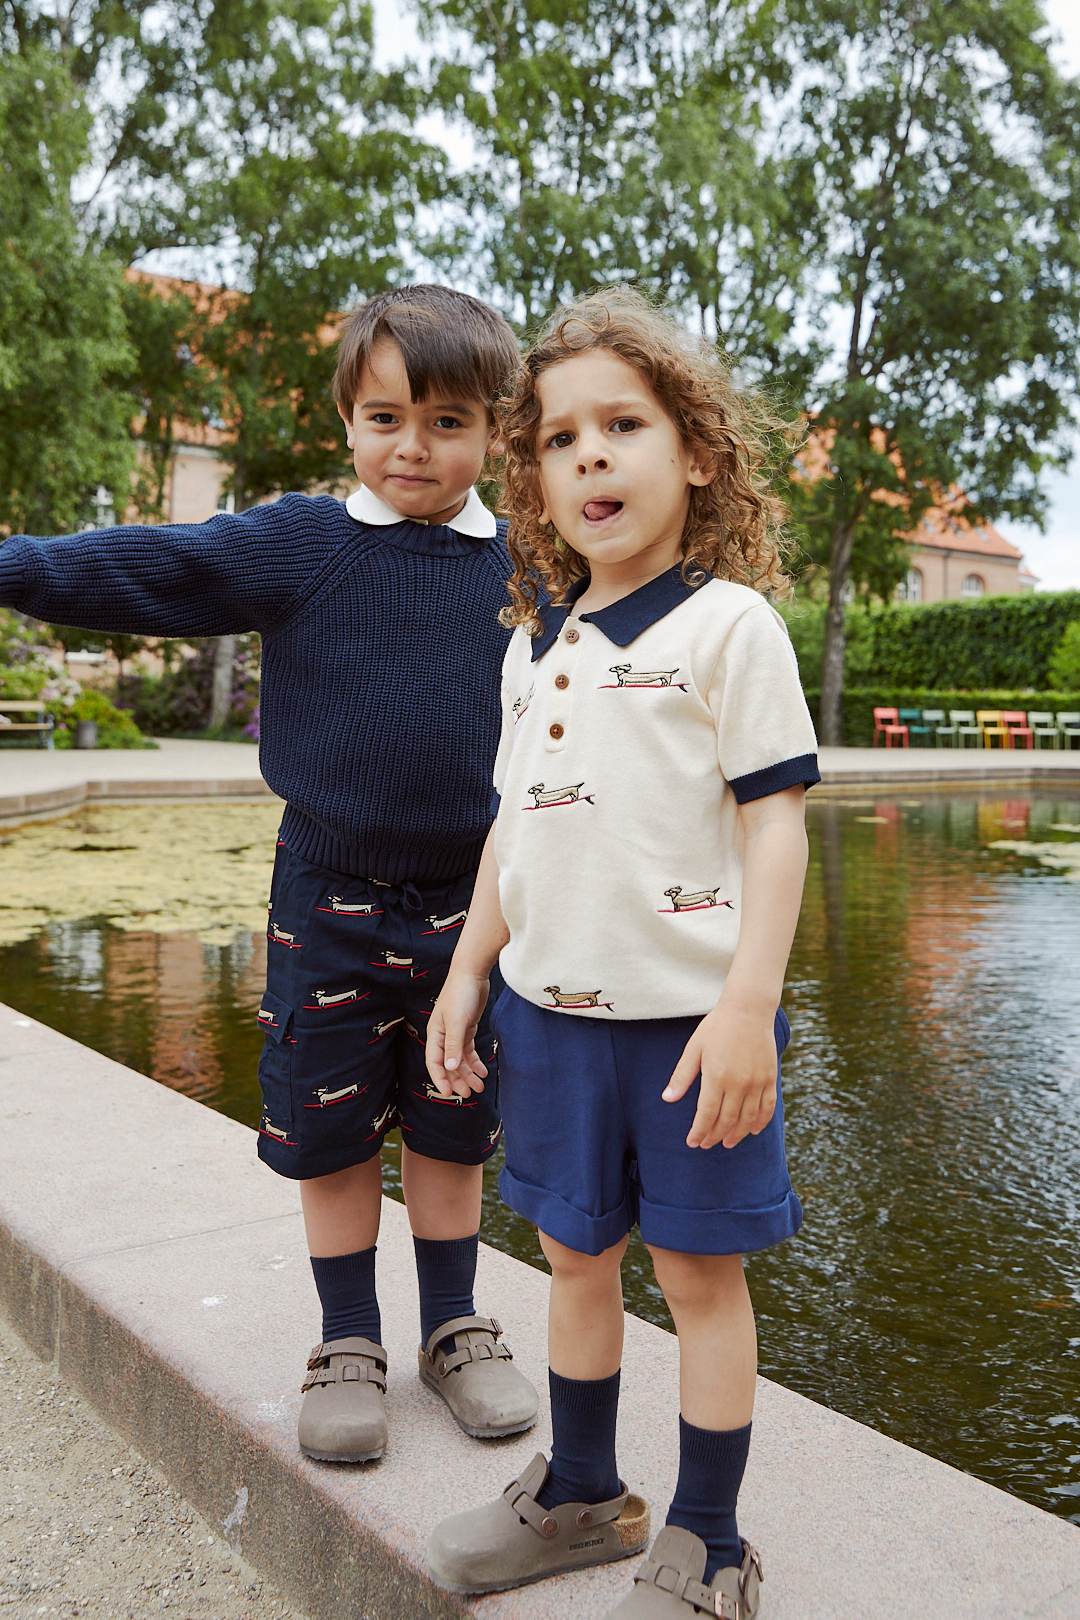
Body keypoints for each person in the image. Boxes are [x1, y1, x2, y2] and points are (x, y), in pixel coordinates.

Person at [0, 284, 539, 1463]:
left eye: (450, 421)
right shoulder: (306, 543)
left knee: (452, 1126)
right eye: (387, 415)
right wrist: (12, 565)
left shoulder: (528, 566)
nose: (415, 445)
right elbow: (157, 568)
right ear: (347, 414)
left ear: (497, 431)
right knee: (330, 1129)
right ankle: (349, 1338)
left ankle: (453, 1323)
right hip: (327, 900)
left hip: (476, 908)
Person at [423, 286, 819, 1617]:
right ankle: (583, 1491)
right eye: (559, 436)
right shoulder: (534, 643)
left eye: (624, 424)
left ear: (696, 454)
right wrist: (472, 967)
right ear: (535, 479)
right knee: (574, 1260)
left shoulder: (731, 630)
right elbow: (512, 832)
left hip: (690, 1031)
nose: (590, 453)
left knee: (702, 1280)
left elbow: (775, 834)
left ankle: (708, 1537)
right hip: (549, 1023)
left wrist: (749, 1011)